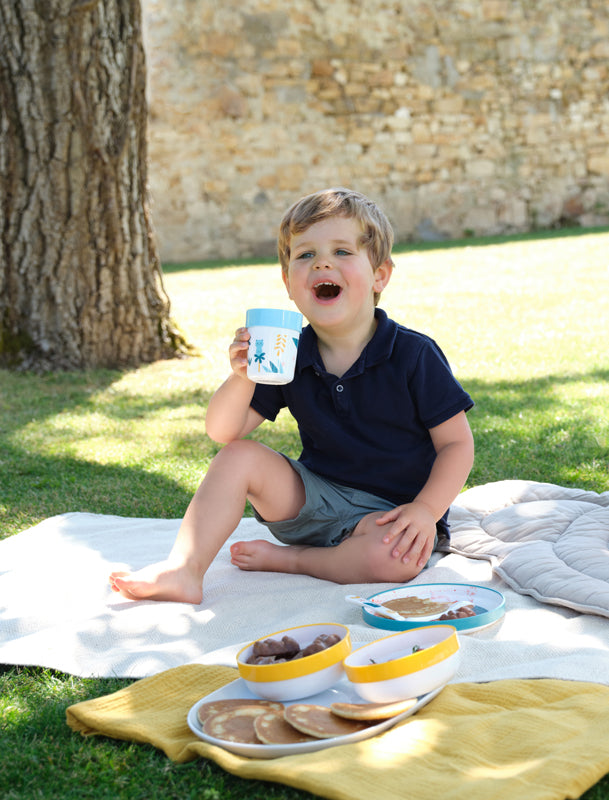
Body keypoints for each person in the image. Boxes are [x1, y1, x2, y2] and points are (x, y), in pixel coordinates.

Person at [109, 188, 474, 604]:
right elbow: (223, 432)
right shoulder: (288, 351)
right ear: (288, 283)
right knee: (238, 456)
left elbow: (457, 444)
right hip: (314, 499)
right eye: (305, 255)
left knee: (395, 561)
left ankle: (295, 560)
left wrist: (425, 511)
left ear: (380, 275)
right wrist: (243, 376)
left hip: (391, 516)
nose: (322, 262)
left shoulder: (412, 354)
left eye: (341, 251)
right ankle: (184, 569)